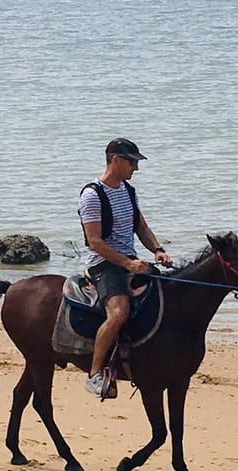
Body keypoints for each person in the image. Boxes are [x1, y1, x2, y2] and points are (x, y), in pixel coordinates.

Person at [78, 138, 173, 398]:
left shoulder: (128, 191)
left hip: (130, 260)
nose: (136, 168)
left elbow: (141, 227)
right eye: (132, 162)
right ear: (116, 160)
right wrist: (127, 263)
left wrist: (157, 250)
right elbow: (95, 241)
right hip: (104, 265)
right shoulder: (92, 195)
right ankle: (95, 374)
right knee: (119, 313)